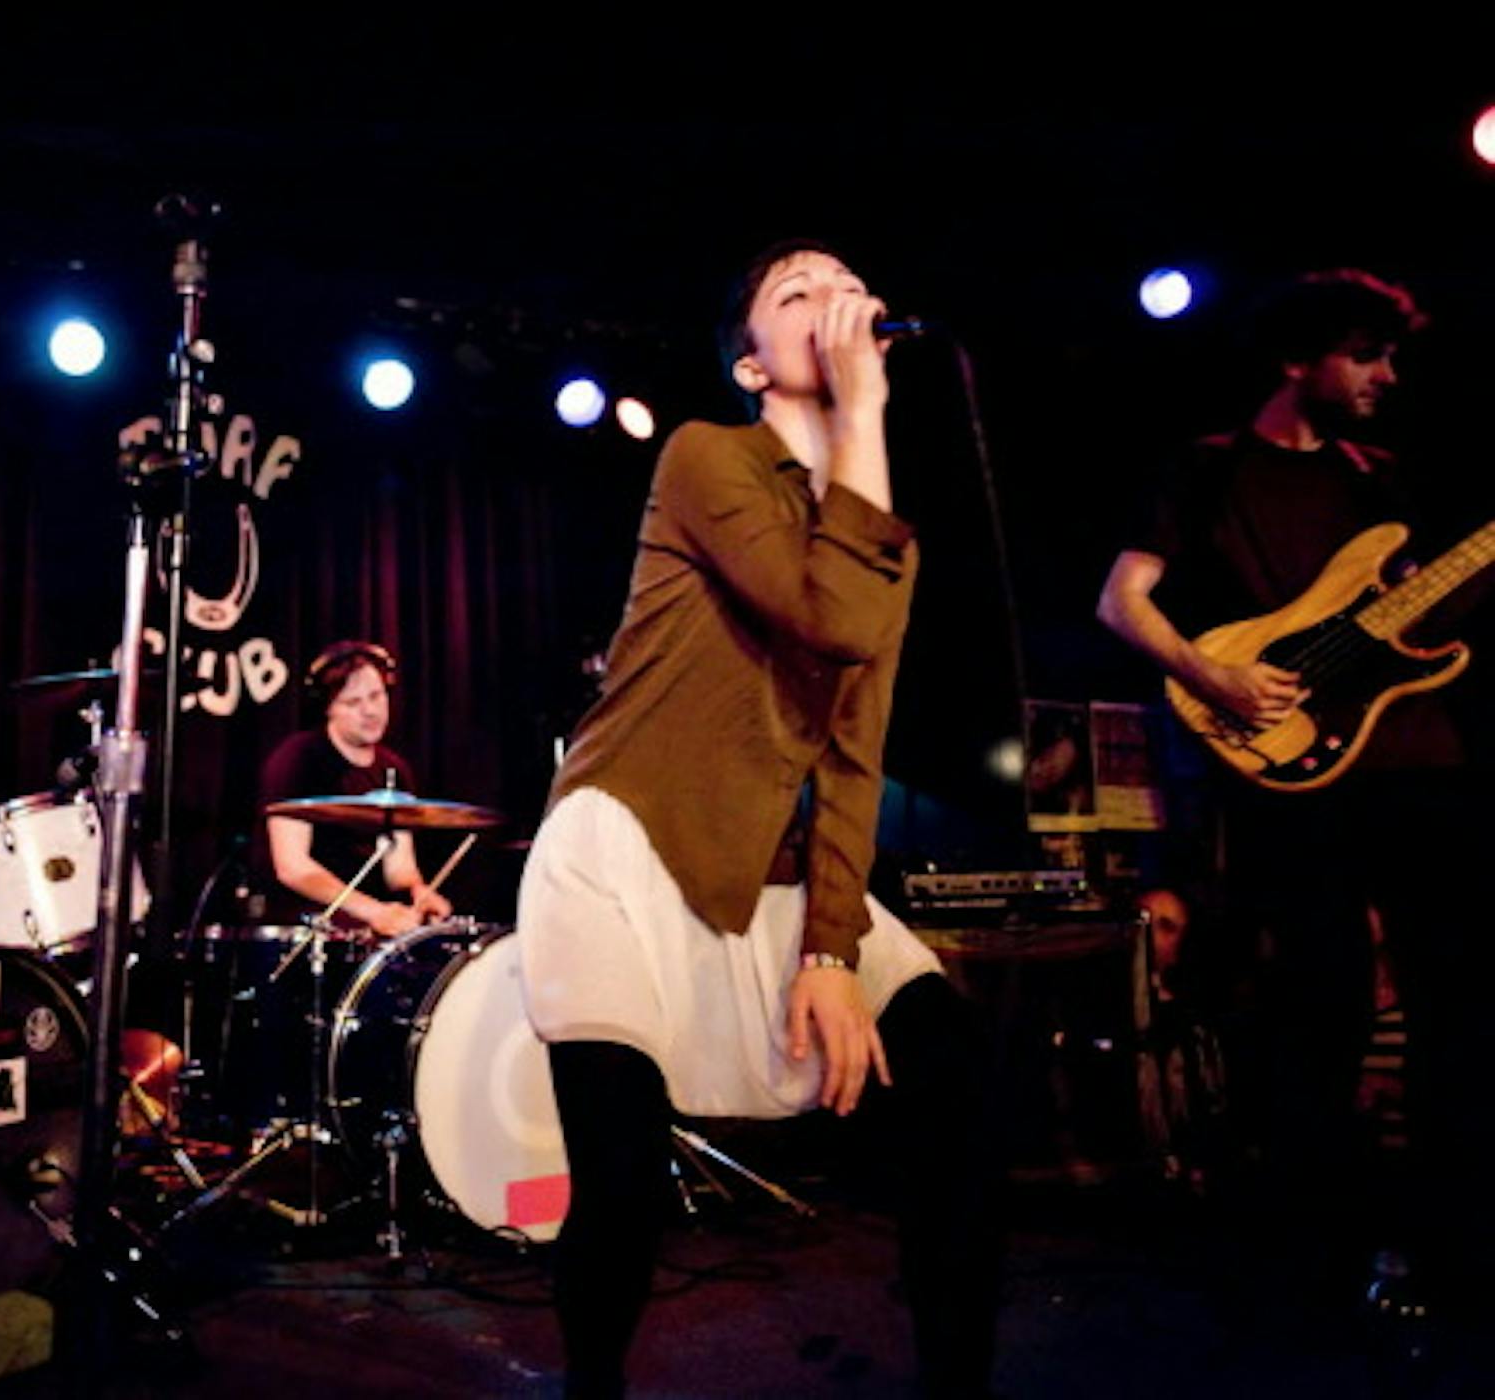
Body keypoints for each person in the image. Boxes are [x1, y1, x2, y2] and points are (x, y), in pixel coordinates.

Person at [518, 243, 997, 1397]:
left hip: (767, 868)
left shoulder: (887, 542)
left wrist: (832, 949)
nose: (836, 301)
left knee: (958, 1090)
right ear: (750, 364)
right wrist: (864, 413)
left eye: (848, 285)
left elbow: (853, 755)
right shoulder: (707, 455)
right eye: (799, 292)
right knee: (622, 1180)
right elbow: (831, 617)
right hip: (622, 842)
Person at [1097, 268, 1490, 1316]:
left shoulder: (1385, 481)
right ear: (1295, 361)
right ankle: (1315, 1249)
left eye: (1390, 356)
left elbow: (1422, 619)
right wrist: (1212, 674)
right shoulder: (1206, 470)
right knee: (1325, 1003)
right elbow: (1121, 602)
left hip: (1419, 758)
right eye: (1364, 356)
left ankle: (1451, 1242)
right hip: (1292, 765)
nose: (1385, 376)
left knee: (1457, 997)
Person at [254, 640, 453, 941]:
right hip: (307, 927)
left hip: (371, 924)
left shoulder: (394, 768)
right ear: (328, 708)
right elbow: (292, 867)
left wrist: (419, 893)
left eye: (376, 696)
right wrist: (373, 911)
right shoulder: (298, 758)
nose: (370, 711)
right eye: (352, 702)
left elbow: (399, 869)